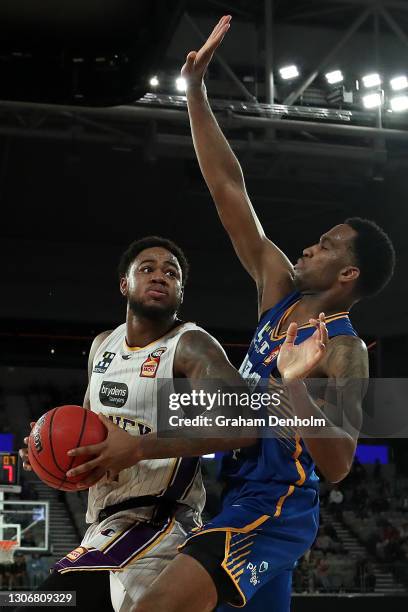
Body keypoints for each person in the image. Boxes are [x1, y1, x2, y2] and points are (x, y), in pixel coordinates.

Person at [127, 16, 395, 612]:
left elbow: (341, 465)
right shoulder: (279, 290)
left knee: (157, 608)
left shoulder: (344, 350)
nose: (307, 248)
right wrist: (195, 90)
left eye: (325, 246)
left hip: (275, 507)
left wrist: (297, 389)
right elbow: (229, 188)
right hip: (235, 489)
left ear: (349, 275)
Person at [19, 236, 256, 612]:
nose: (160, 276)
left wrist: (141, 448)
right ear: (125, 284)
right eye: (147, 269)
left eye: (171, 273)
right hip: (106, 526)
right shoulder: (102, 347)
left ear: (181, 292)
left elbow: (244, 425)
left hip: (157, 525)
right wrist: (52, 455)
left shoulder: (191, 346)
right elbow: (90, 430)